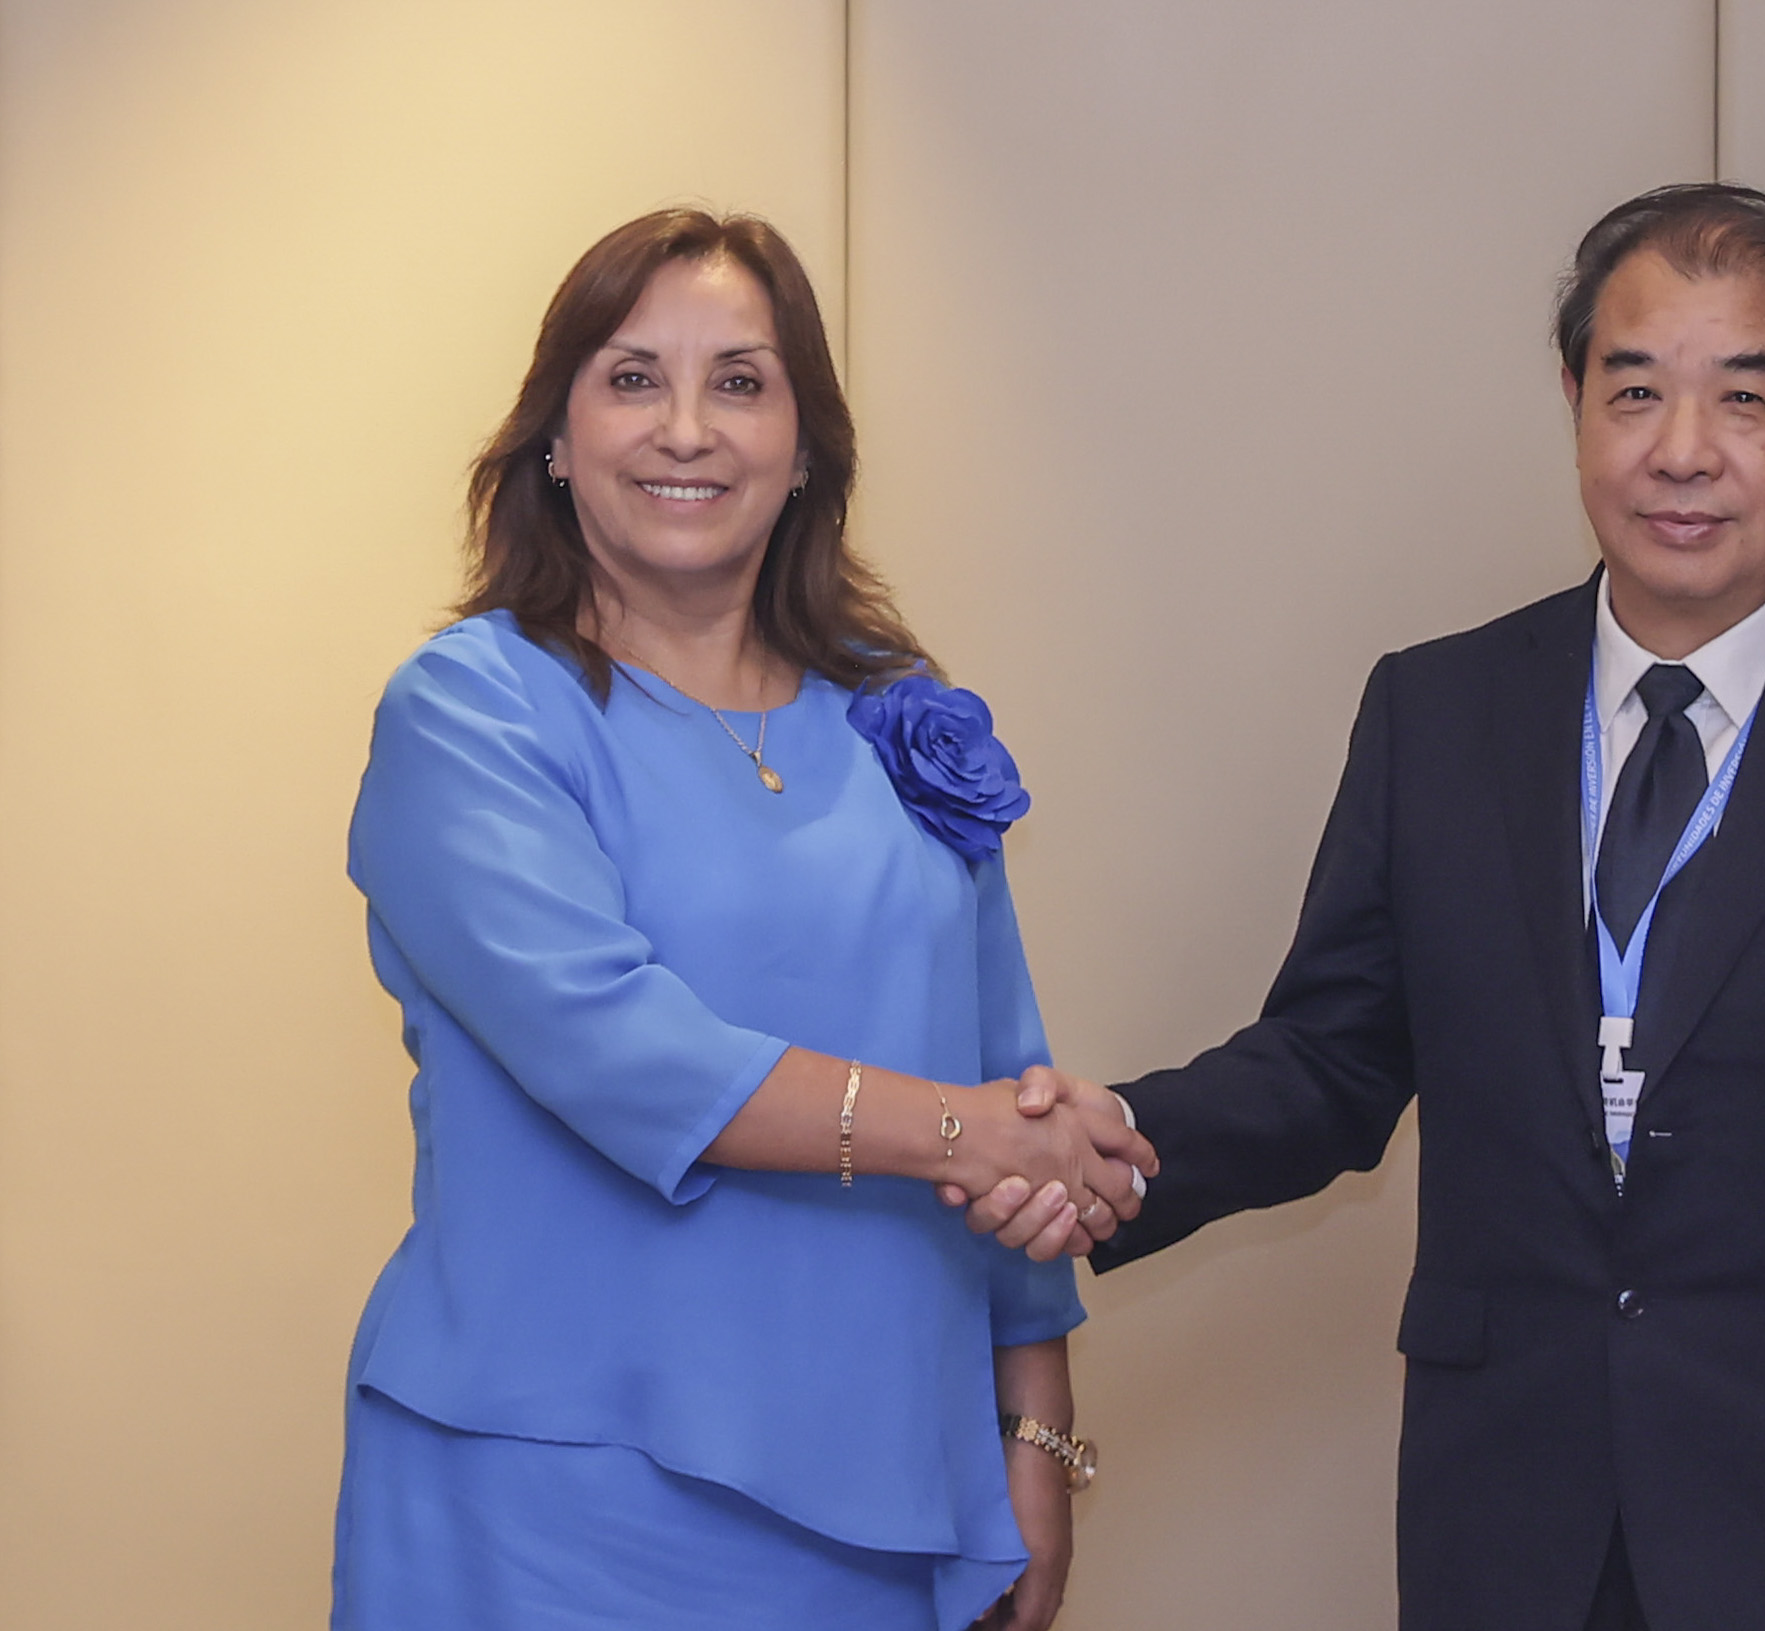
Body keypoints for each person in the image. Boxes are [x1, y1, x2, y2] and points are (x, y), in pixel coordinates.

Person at [954, 184, 1765, 1631]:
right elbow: (1334, 1062)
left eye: (1745, 399)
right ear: (1577, 403)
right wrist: (1098, 1147)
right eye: (1635, 390)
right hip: (1515, 1522)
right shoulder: (1440, 710)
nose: (1682, 452)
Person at [332, 208, 1155, 1631]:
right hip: (551, 1497)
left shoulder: (898, 712)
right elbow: (619, 1049)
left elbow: (1004, 1060)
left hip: (884, 1491)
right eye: (633, 377)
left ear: (806, 447)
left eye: (741, 381)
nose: (688, 429)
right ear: (555, 433)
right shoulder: (473, 709)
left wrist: (1035, 1428)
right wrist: (971, 1132)